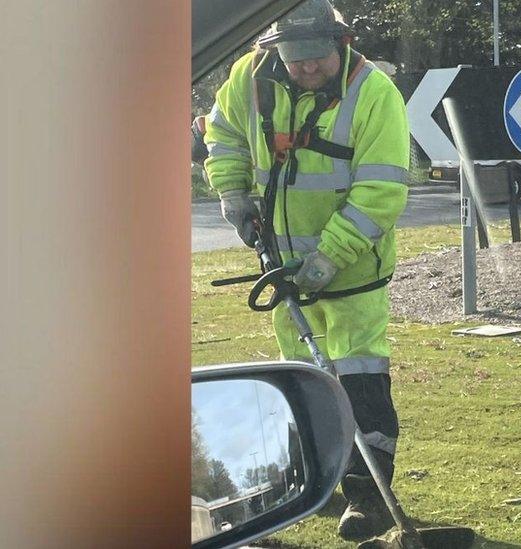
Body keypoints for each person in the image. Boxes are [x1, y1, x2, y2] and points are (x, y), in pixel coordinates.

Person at [202, 0, 409, 540]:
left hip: (352, 269)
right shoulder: (247, 77)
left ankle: (368, 496)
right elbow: (221, 134)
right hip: (283, 265)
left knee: (359, 375)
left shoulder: (374, 94)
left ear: (339, 44)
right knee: (301, 379)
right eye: (295, 58)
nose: (307, 68)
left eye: (316, 57)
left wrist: (326, 260)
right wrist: (233, 194)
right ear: (274, 50)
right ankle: (307, 483)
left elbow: (381, 191)